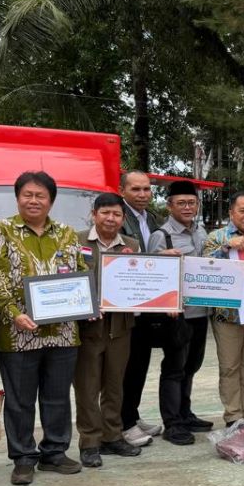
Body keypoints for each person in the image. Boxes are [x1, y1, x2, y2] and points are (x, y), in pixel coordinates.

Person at [0, 171, 88, 485]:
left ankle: (54, 452)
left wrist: (87, 302)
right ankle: (23, 458)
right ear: (17, 198)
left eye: (40, 195)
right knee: (20, 401)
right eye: (27, 194)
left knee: (58, 397)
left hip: (64, 332)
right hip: (19, 333)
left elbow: (80, 270)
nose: (33, 200)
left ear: (50, 200)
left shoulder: (68, 233)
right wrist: (14, 313)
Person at [76, 193, 143, 468]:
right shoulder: (77, 241)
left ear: (123, 218)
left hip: (121, 327)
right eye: (105, 213)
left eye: (116, 214)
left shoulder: (131, 245)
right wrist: (87, 304)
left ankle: (112, 436)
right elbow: (68, 277)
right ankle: (89, 442)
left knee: (115, 385)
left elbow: (140, 283)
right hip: (88, 329)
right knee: (87, 387)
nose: (110, 218)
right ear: (94, 215)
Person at [148, 180, 211, 444]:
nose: (187, 207)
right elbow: (151, 277)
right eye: (181, 203)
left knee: (192, 366)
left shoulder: (201, 232)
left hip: (201, 312)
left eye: (192, 203)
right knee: (174, 368)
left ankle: (185, 413)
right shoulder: (161, 236)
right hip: (177, 314)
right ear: (169, 205)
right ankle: (172, 423)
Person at [202, 191, 244, 426]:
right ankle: (233, 416)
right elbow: (205, 268)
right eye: (243, 211)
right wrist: (227, 247)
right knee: (229, 366)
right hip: (227, 315)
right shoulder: (216, 237)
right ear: (231, 213)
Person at [119, 170, 165, 446]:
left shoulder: (151, 218)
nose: (142, 194)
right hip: (126, 304)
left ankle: (133, 416)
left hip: (148, 303)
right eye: (136, 189)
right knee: (125, 368)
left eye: (146, 189)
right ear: (122, 190)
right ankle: (123, 423)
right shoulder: (118, 217)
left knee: (140, 365)